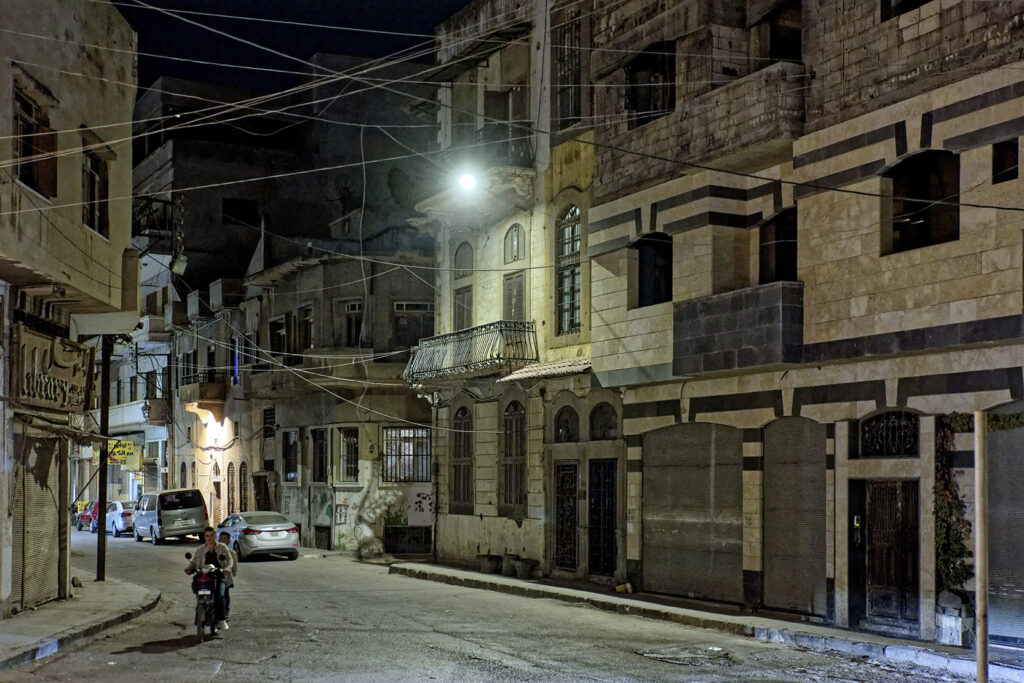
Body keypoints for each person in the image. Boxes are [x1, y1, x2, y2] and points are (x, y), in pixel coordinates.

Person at [185, 527, 232, 631]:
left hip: (219, 575)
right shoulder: (200, 549)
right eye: (207, 536)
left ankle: (221, 619)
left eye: (211, 536)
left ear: (214, 536)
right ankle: (201, 608)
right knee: (196, 586)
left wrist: (226, 569)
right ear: (204, 537)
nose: (209, 538)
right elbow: (194, 561)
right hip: (205, 576)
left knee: (220, 595)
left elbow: (229, 560)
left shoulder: (222, 547)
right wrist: (189, 568)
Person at [218, 531, 238, 623]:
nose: (223, 540)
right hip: (216, 575)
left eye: (225, 538)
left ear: (229, 541)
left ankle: (226, 611)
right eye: (221, 538)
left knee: (225, 594)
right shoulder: (215, 550)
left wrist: (232, 572)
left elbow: (234, 565)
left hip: (226, 576)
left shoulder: (231, 553)